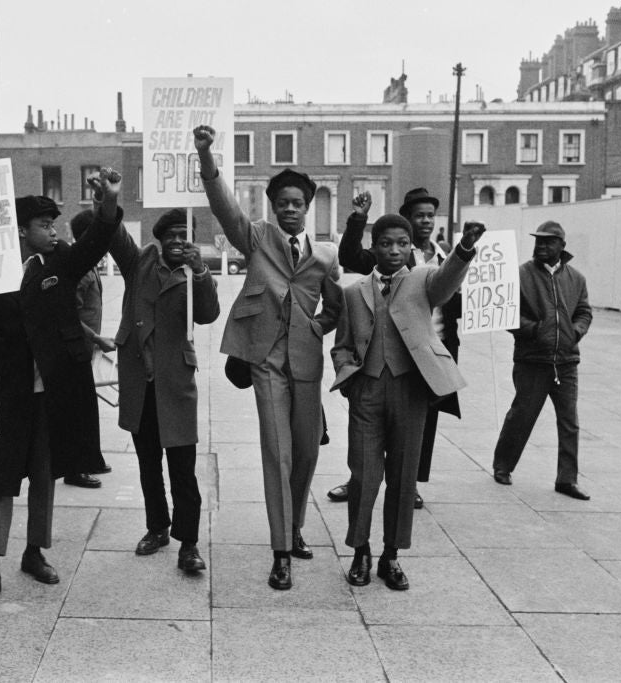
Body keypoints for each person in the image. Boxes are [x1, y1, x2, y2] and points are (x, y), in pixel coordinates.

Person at [0, 169, 123, 599]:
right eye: (44, 226)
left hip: (53, 391)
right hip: (7, 392)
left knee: (44, 475)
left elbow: (98, 240)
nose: (52, 232)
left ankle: (34, 551)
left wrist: (107, 203)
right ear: (21, 231)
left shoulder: (61, 261)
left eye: (53, 225)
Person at [194, 125, 342, 591]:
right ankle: (281, 551)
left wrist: (319, 327)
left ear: (308, 206)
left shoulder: (326, 256)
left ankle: (295, 526)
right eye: (283, 203)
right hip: (264, 360)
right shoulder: (256, 238)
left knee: (304, 452)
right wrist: (207, 157)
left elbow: (337, 306)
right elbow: (225, 208)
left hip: (306, 363)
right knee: (276, 452)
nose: (290, 209)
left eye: (297, 203)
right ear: (273, 208)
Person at [331, 214, 485, 591]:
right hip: (366, 393)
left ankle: (392, 555)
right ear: (374, 246)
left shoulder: (423, 279)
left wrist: (464, 249)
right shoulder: (353, 292)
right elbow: (341, 345)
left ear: (410, 245)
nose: (395, 250)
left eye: (402, 243)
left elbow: (448, 279)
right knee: (364, 474)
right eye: (386, 243)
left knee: (403, 476)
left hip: (410, 391)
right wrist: (349, 379)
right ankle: (360, 551)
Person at [328, 188, 462, 510]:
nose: (426, 221)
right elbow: (350, 257)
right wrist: (359, 219)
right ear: (408, 221)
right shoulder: (397, 250)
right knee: (370, 431)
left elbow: (452, 293)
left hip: (435, 348)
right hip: (390, 353)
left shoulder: (445, 254)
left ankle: (409, 482)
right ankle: (361, 479)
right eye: (419, 216)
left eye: (431, 215)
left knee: (422, 424)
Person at [109, 208, 220, 573]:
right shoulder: (139, 262)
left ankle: (188, 543)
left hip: (175, 384)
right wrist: (108, 202)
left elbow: (207, 315)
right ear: (159, 238)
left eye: (183, 233)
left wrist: (201, 271)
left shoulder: (196, 274)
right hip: (140, 383)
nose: (177, 240)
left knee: (183, 470)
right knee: (148, 465)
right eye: (170, 234)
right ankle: (157, 528)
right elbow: (114, 234)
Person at [492, 221, 592, 500]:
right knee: (522, 415)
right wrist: (535, 330)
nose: (541, 246)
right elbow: (506, 312)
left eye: (548, 241)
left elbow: (584, 311)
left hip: (566, 361)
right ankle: (502, 466)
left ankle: (566, 479)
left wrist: (576, 332)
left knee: (569, 422)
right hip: (532, 360)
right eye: (538, 241)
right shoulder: (520, 275)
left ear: (562, 245)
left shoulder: (576, 279)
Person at [64, 208, 114, 489]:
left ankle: (89, 458)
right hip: (76, 349)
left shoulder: (90, 264)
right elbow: (68, 313)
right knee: (78, 409)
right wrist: (97, 338)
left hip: (85, 348)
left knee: (86, 407)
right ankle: (76, 468)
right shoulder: (81, 268)